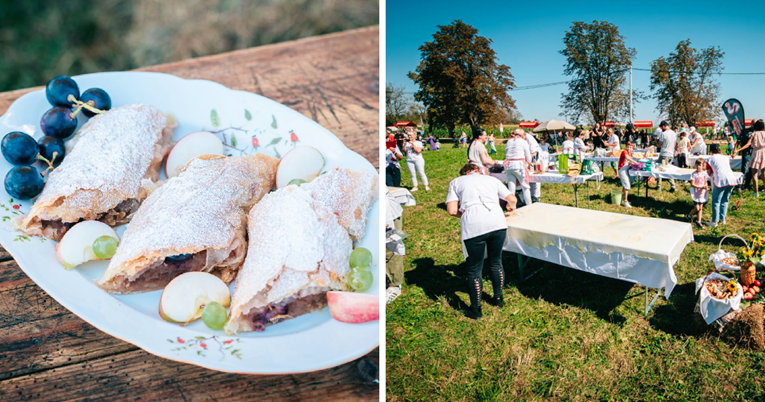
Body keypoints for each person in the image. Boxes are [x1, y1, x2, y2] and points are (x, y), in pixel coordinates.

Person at [445, 163, 517, 319]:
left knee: (474, 269)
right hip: (497, 222)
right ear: (479, 171)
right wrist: (510, 207)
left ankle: (476, 309)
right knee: (496, 262)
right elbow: (512, 198)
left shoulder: (456, 182)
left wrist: (463, 215)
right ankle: (498, 299)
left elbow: (451, 210)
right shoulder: (491, 179)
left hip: (473, 225)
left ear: (464, 173)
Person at [706, 144, 739, 227]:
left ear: (711, 151)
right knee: (725, 200)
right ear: (720, 150)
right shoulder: (725, 157)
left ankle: (714, 221)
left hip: (721, 180)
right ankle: (722, 218)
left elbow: (709, 172)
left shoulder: (710, 159)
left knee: (716, 201)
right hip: (731, 178)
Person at [504, 129, 532, 206]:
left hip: (509, 165)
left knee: (511, 188)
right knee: (525, 186)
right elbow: (528, 157)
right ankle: (529, 205)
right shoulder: (523, 142)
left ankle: (511, 206)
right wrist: (529, 162)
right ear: (522, 135)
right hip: (519, 165)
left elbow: (506, 152)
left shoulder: (509, 141)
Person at [686, 159, 709, 229]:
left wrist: (706, 187)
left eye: (700, 165)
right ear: (695, 165)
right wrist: (700, 187)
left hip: (702, 193)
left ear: (703, 166)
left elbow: (705, 182)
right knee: (697, 208)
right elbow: (692, 184)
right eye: (697, 165)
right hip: (696, 193)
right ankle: (689, 215)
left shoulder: (704, 174)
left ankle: (699, 221)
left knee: (700, 208)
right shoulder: (694, 174)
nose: (699, 167)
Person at [656, 121, 677, 192]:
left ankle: (659, 186)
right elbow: (674, 143)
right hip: (671, 154)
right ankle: (673, 186)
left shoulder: (663, 134)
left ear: (664, 126)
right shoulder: (674, 133)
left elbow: (659, 144)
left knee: (659, 169)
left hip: (664, 154)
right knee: (668, 170)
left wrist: (656, 142)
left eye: (661, 127)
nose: (661, 129)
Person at [618, 141, 638, 208]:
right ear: (626, 147)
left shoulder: (630, 153)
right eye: (628, 147)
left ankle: (623, 199)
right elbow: (627, 157)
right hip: (622, 170)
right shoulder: (624, 152)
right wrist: (634, 161)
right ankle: (625, 201)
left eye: (630, 147)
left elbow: (628, 161)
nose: (629, 148)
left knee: (625, 185)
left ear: (632, 148)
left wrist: (631, 163)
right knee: (627, 185)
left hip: (626, 170)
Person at [736, 121, 755, 192]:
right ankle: (739, 186)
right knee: (744, 169)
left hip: (754, 153)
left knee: (751, 170)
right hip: (746, 153)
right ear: (751, 124)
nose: (754, 125)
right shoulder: (745, 131)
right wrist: (736, 150)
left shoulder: (757, 132)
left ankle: (747, 185)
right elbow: (739, 140)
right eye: (753, 123)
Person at [748, 119, 765, 197]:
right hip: (764, 153)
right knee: (764, 173)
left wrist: (738, 149)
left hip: (756, 153)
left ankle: (756, 192)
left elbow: (748, 144)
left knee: (754, 174)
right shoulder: (764, 133)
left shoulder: (754, 134)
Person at [525, 132, 542, 202]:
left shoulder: (529, 138)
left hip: (535, 158)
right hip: (528, 158)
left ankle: (536, 195)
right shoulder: (521, 138)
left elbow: (533, 153)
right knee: (529, 176)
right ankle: (531, 194)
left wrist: (526, 161)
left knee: (535, 176)